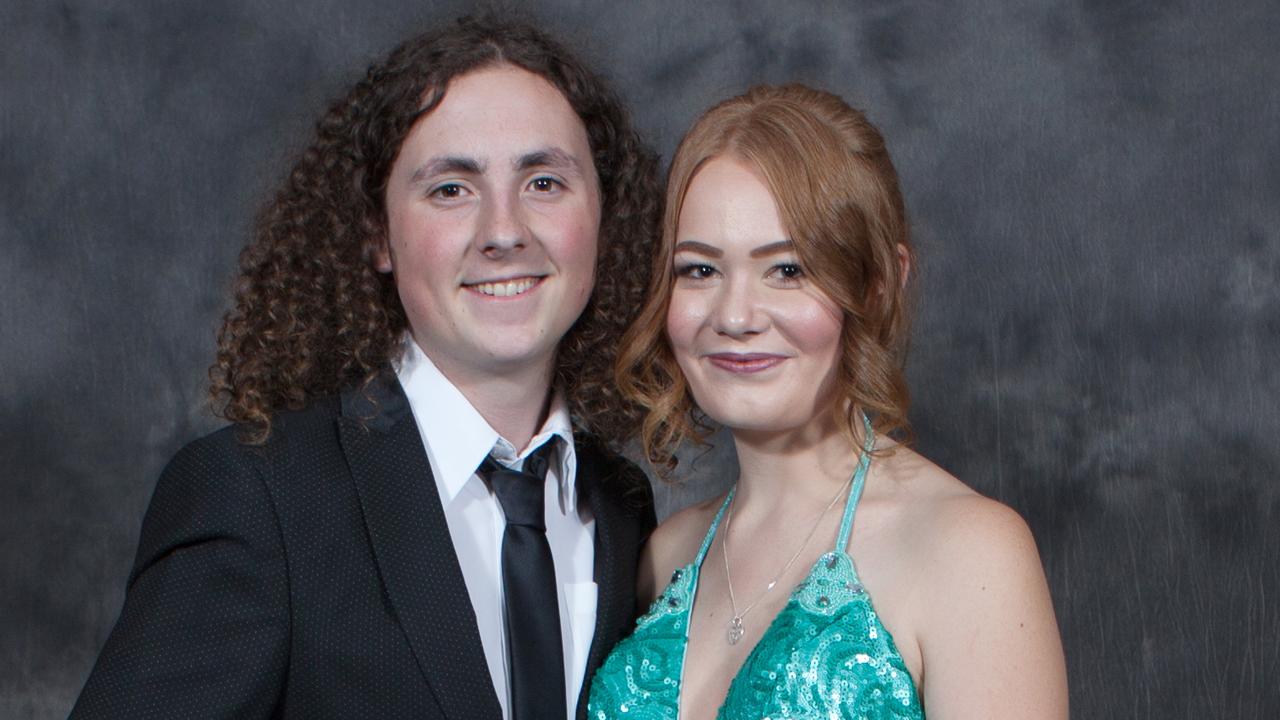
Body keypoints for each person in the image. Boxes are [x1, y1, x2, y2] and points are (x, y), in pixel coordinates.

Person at [71, 15, 659, 720]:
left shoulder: (621, 509)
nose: (504, 231)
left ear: (603, 214)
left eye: (543, 181)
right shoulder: (259, 499)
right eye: (451, 189)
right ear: (377, 234)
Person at [590, 84, 1068, 718]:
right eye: (699, 270)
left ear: (875, 286)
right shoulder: (662, 554)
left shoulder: (972, 551)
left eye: (787, 269)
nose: (734, 316)